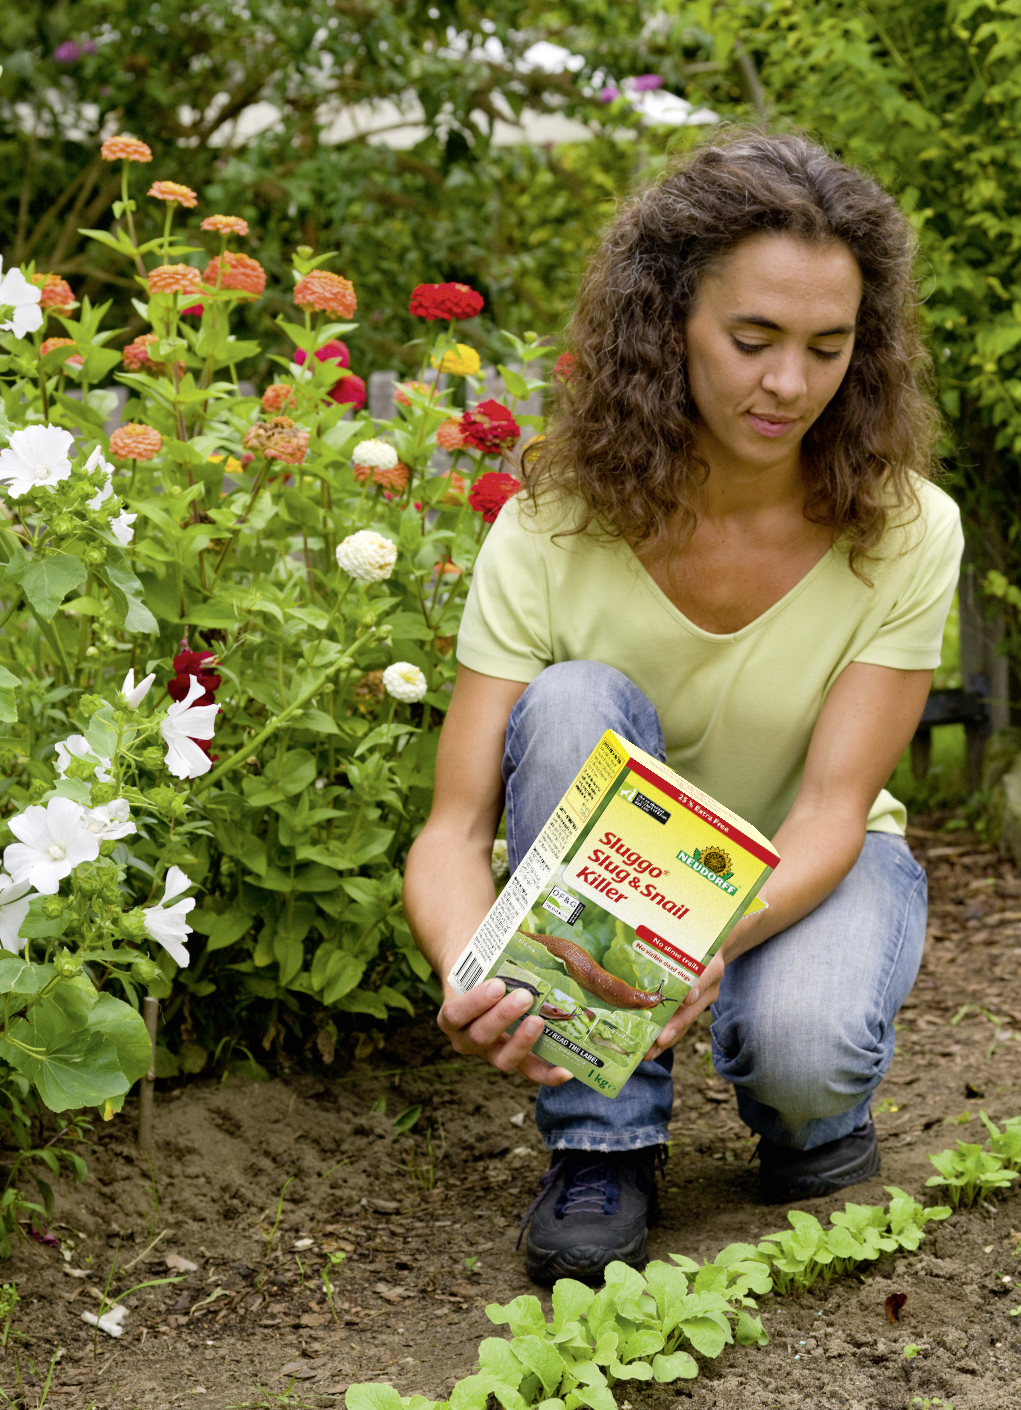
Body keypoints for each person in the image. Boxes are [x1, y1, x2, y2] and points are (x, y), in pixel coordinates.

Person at [402, 130, 961, 1286]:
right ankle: (602, 1145)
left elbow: (827, 813)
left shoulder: (907, 527)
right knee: (571, 701)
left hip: (804, 863)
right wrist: (473, 970)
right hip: (607, 877)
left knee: (802, 1059)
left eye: (826, 346)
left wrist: (697, 940)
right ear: (669, 325)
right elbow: (455, 828)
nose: (788, 385)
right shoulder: (550, 530)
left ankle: (808, 1115)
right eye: (750, 340)